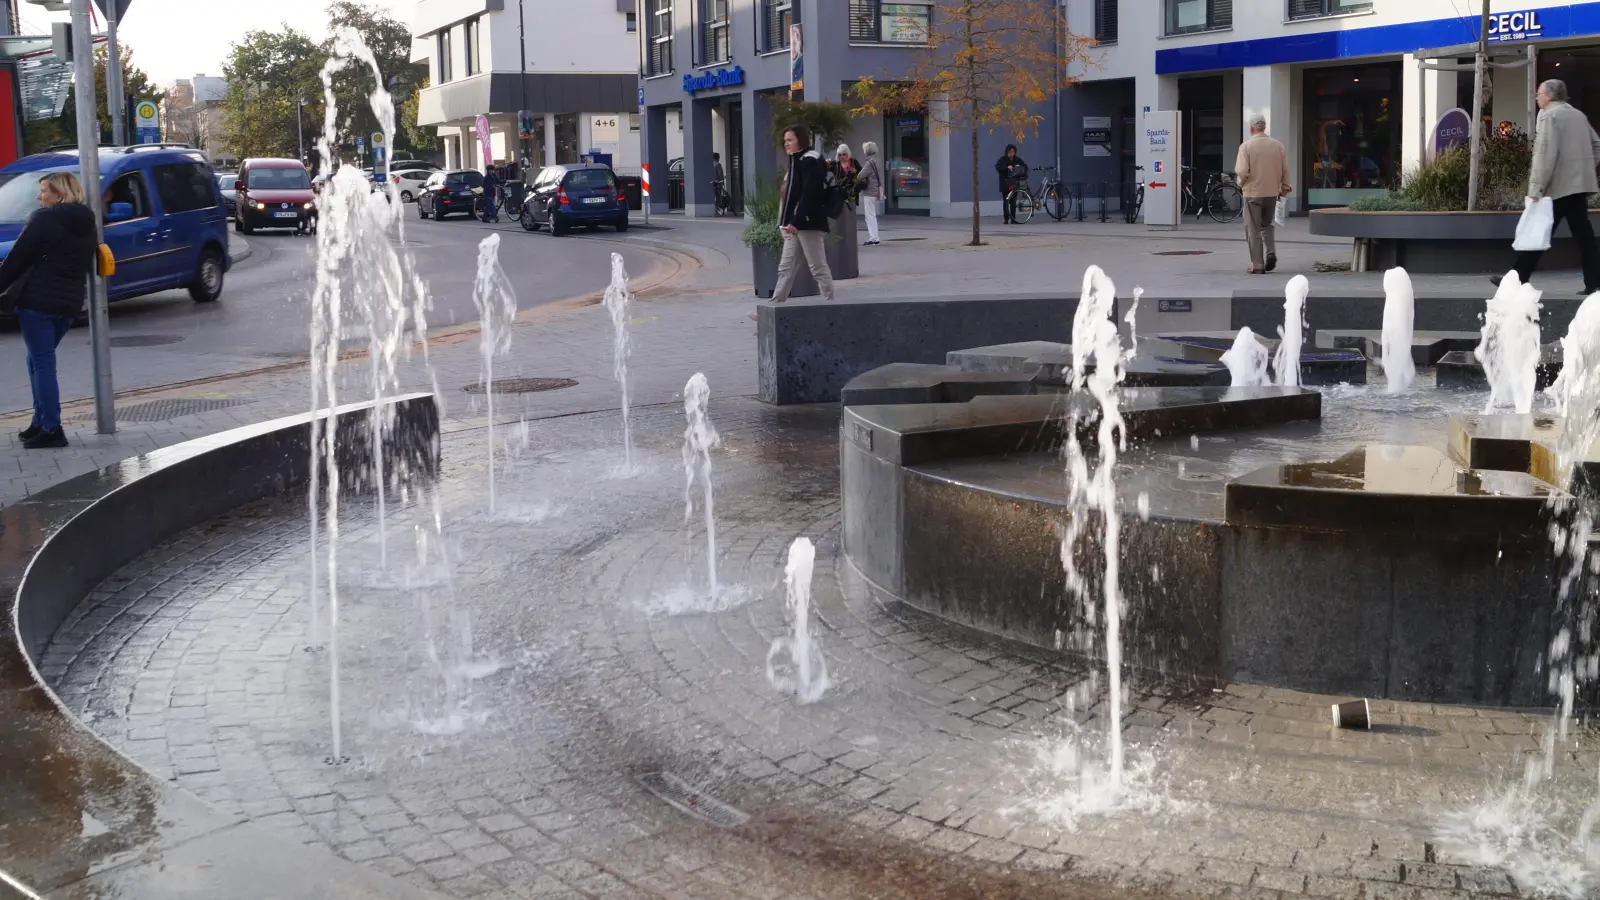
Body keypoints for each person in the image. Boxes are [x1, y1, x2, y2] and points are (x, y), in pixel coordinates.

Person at [0, 172, 97, 449]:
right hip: (68, 305)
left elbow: (17, 259)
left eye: (43, 190)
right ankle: (40, 421)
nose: (38, 196)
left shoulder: (44, 219)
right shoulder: (87, 221)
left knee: (42, 363)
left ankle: (52, 428)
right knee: (36, 360)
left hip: (38, 302)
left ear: (58, 194)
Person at [1506, 79, 1600, 295]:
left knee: (1539, 230)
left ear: (1549, 96)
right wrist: (1582, 168)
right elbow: (1597, 145)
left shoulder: (1549, 116)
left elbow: (1544, 156)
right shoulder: (1578, 115)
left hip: (1557, 186)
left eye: (1539, 93)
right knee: (1584, 236)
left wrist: (1535, 189)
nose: (1537, 97)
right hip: (1577, 186)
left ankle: (1516, 280)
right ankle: (1594, 281)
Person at [769, 123, 835, 303]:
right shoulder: (797, 161)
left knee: (818, 267)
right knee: (786, 267)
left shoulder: (810, 160)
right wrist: (786, 221)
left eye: (790, 140)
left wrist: (796, 220)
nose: (786, 144)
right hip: (794, 225)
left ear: (801, 140)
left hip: (808, 223)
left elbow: (809, 193)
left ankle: (833, 306)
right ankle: (774, 308)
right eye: (784, 141)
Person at [1235, 114, 1292, 275]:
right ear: (1264, 127)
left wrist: (1240, 183)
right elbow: (1285, 169)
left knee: (1253, 229)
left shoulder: (1246, 147)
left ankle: (1258, 265)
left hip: (1252, 192)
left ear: (1251, 128)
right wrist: (1285, 187)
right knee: (1267, 225)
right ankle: (1271, 252)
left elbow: (1242, 171)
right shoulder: (1278, 145)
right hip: (1272, 192)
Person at [860, 141, 884, 246]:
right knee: (872, 214)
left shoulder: (869, 163)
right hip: (874, 190)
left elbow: (860, 176)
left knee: (869, 215)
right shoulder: (876, 161)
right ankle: (875, 237)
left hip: (869, 191)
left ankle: (873, 237)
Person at [996, 144, 1028, 224]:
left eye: (1013, 152)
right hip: (1005, 183)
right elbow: (998, 167)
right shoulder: (1003, 159)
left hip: (1014, 183)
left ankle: (1013, 218)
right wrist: (1007, 167)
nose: (1011, 153)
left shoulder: (1017, 159)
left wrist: (1019, 166)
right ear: (1007, 152)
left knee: (1013, 201)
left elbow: (1025, 167)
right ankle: (1006, 218)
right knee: (1006, 201)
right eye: (1010, 152)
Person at [833, 144, 861, 210]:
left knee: (850, 214)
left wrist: (856, 171)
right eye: (839, 155)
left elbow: (862, 173)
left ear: (848, 154)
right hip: (840, 193)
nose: (842, 157)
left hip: (852, 193)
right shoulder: (836, 164)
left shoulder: (854, 162)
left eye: (844, 154)